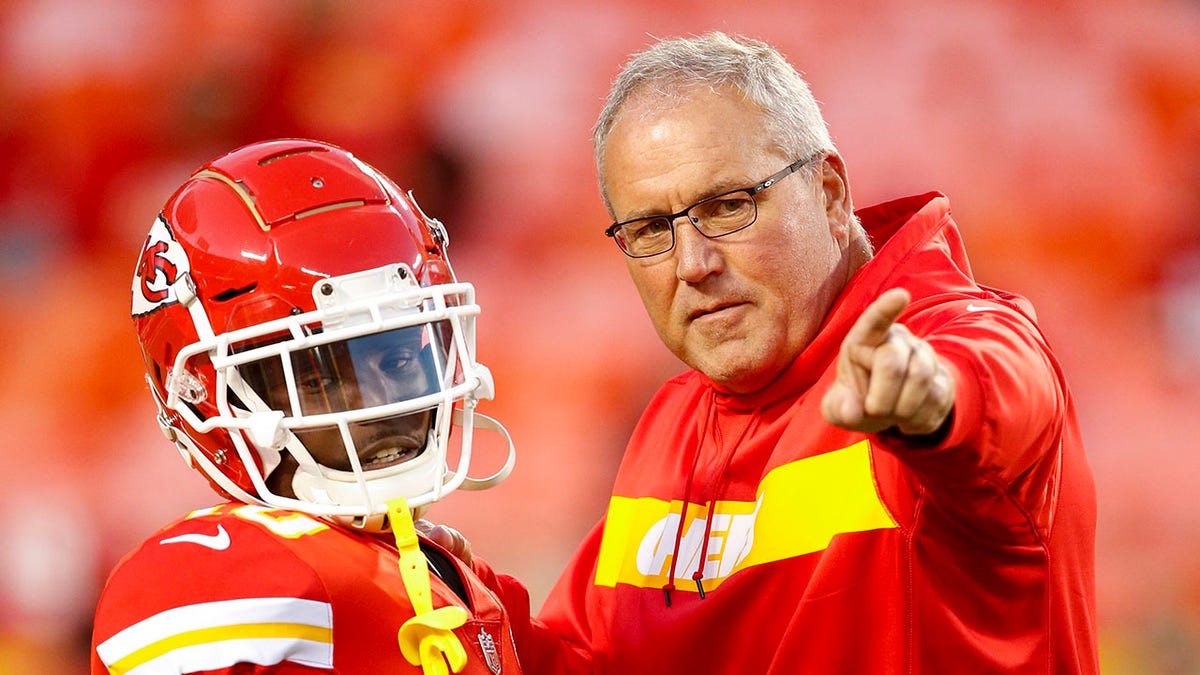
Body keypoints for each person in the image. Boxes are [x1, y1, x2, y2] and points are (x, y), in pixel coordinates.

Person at [502, 32, 1098, 674]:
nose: (692, 265)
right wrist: (455, 598)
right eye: (651, 231)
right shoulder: (670, 423)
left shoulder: (951, 340)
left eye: (727, 207)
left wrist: (933, 403)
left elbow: (1003, 383)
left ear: (831, 195)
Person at [92, 139, 522, 675]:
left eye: (395, 362)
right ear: (205, 393)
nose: (379, 407)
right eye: (318, 379)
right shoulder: (211, 576)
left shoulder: (463, 582)